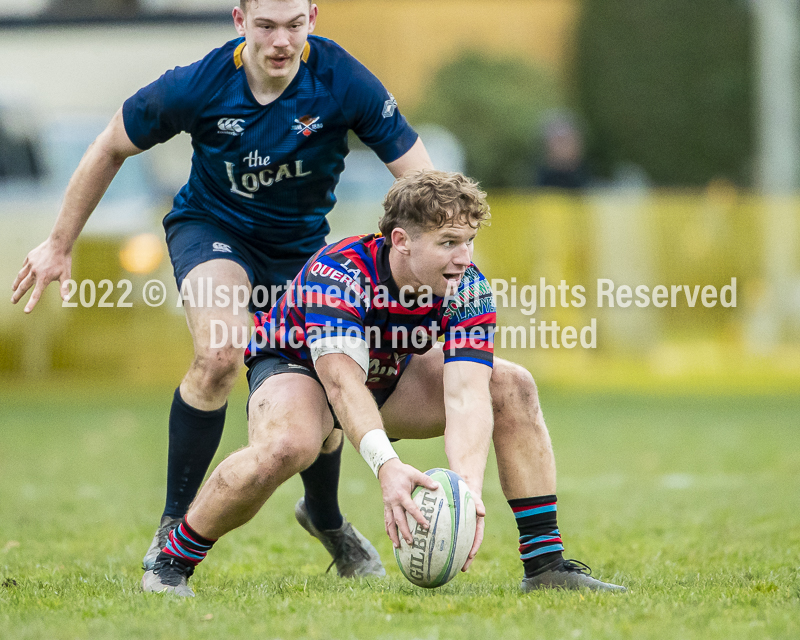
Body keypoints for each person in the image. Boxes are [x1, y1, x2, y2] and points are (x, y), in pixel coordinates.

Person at [10, 0, 433, 577]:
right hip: (212, 232)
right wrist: (58, 244)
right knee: (218, 355)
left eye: (294, 25)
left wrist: (443, 257)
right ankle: (173, 525)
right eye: (265, 26)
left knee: (328, 380)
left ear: (313, 15)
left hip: (302, 252)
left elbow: (421, 178)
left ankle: (326, 516)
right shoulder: (199, 85)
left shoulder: (343, 80)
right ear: (239, 21)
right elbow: (111, 144)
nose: (281, 41)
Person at [141, 170, 626, 596]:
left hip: (390, 371)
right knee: (290, 445)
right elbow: (341, 384)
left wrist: (466, 494)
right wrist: (387, 467)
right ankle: (171, 562)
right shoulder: (339, 273)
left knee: (512, 384)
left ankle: (545, 564)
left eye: (469, 240)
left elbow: (466, 393)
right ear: (401, 241)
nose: (464, 257)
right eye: (448, 243)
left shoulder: (468, 286)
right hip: (300, 369)